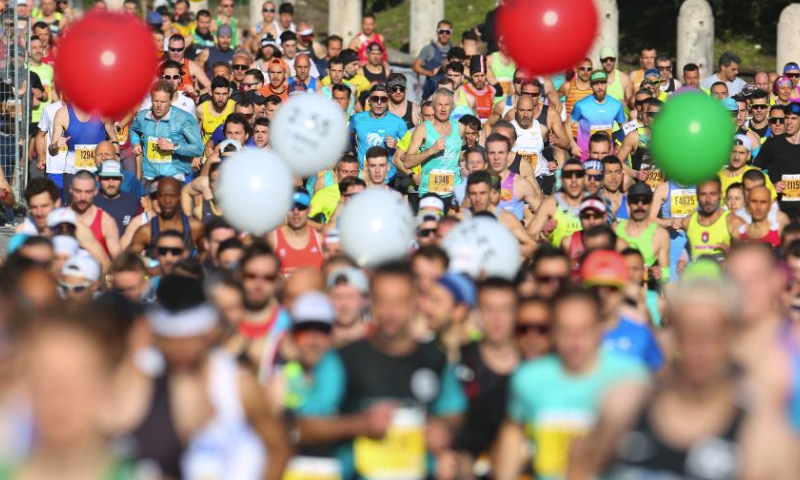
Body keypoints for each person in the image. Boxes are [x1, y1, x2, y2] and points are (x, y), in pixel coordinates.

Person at [573, 278, 796, 480]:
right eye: (689, 334)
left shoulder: (762, 437)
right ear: (673, 337)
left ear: (731, 339)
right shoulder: (624, 407)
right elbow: (580, 468)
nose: (700, 349)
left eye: (712, 335)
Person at [295, 262, 466, 480]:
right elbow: (306, 427)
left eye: (399, 302)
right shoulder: (343, 359)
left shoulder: (434, 359)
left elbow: (454, 412)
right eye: (382, 301)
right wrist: (359, 424)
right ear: (370, 303)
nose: (390, 312)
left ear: (416, 303)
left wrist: (442, 430)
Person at [493, 287, 648, 480]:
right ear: (553, 331)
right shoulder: (528, 379)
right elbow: (513, 430)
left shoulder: (632, 378)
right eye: (566, 331)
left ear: (600, 328)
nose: (576, 342)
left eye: (584, 330)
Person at [453, 278, 520, 469]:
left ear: (517, 312)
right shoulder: (459, 360)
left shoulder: (531, 366)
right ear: (477, 313)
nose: (497, 318)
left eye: (505, 309)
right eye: (488, 309)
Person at [130, 81, 204, 184]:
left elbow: (198, 149)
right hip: (149, 176)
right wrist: (135, 142)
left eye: (163, 102)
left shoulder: (184, 119)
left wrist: (173, 146)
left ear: (170, 101)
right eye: (156, 101)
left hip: (175, 176)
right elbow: (133, 130)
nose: (159, 105)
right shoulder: (143, 116)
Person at [404, 88, 463, 212]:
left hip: (454, 192)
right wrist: (431, 150)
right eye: (439, 105)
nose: (443, 109)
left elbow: (458, 154)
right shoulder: (423, 129)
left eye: (446, 104)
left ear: (452, 106)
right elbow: (407, 162)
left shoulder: (459, 127)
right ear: (434, 106)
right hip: (430, 193)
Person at [463, 171, 537, 257]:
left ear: (491, 193)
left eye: (483, 193)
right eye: (473, 193)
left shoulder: (505, 218)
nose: (478, 199)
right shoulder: (461, 218)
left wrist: (502, 250)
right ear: (468, 194)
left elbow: (532, 246)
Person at [129, 177, 204, 256]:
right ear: (157, 198)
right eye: (162, 196)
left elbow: (208, 258)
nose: (167, 201)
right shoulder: (145, 231)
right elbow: (130, 262)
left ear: (179, 198)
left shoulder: (195, 228)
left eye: (172, 196)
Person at [348, 83, 408, 180]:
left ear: (388, 101)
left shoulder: (398, 122)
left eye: (383, 99)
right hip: (363, 177)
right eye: (375, 99)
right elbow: (347, 142)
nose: (379, 103)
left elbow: (409, 155)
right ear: (369, 101)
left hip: (388, 178)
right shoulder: (356, 119)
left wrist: (397, 146)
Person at [568, 70, 626, 161]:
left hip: (607, 156)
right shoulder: (581, 105)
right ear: (590, 85)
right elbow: (567, 125)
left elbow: (624, 128)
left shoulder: (616, 105)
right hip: (585, 156)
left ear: (607, 84)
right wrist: (572, 144)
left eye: (603, 83)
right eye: (596, 84)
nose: (600, 87)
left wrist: (619, 147)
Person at [754, 102, 800, 217]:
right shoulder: (771, 144)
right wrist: (771, 185)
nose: (789, 122)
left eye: (793, 118)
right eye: (786, 118)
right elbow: (754, 173)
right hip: (779, 211)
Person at [47, 102, 117, 178]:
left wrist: (116, 160)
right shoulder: (62, 114)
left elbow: (114, 139)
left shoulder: (102, 113)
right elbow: (52, 151)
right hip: (72, 173)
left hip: (99, 172)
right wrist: (56, 145)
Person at [682, 178, 745, 260]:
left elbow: (751, 257)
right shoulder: (687, 222)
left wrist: (730, 251)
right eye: (703, 194)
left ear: (720, 195)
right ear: (697, 196)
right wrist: (682, 260)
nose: (708, 199)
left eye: (713, 194)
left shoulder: (734, 222)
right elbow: (691, 245)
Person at [529, 159, 587, 247]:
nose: (574, 180)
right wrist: (543, 235)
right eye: (568, 175)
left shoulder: (595, 202)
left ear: (585, 178)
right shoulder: (550, 204)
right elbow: (529, 236)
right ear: (561, 179)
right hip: (558, 258)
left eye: (579, 175)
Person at [269, 188, 323, 277]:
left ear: (309, 209)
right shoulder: (272, 240)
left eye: (301, 207)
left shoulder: (320, 240)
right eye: (291, 207)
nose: (296, 212)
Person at [486, 133, 540, 220]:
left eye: (501, 152)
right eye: (492, 153)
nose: (496, 157)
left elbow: (542, 213)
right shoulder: (478, 180)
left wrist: (525, 227)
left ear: (508, 154)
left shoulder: (520, 183)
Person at [69, 170, 121, 258]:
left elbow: (119, 263)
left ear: (95, 191)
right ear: (70, 189)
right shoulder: (59, 218)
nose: (83, 198)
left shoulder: (106, 222)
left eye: (88, 192)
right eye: (78, 191)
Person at [413, 19, 454, 85]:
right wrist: (430, 73)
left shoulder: (454, 49)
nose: (444, 34)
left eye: (447, 32)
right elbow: (416, 67)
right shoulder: (428, 48)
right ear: (437, 32)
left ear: (451, 33)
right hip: (432, 89)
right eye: (441, 31)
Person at [196, 76, 235, 144]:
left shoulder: (234, 108)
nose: (220, 98)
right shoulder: (201, 110)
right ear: (210, 92)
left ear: (229, 93)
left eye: (224, 94)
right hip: (207, 153)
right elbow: (194, 136)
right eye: (217, 94)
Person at [463, 55, 497, 124]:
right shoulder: (463, 90)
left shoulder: (492, 90)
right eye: (476, 76)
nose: (480, 79)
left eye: (482, 75)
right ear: (470, 75)